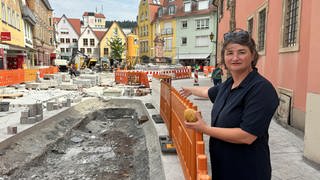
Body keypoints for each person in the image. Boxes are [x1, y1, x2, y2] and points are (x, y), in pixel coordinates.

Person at [179, 29, 279, 180]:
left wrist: (204, 129)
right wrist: (190, 90)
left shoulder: (261, 89)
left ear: (252, 55)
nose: (235, 57)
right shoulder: (229, 84)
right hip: (223, 167)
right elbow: (208, 92)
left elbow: (247, 136)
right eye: (229, 53)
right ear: (224, 57)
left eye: (241, 52)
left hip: (247, 171)